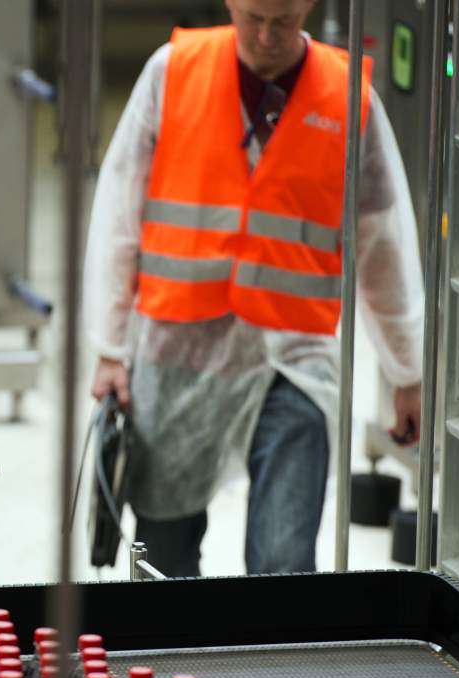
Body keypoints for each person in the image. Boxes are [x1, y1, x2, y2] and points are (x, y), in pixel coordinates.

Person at [82, 0, 424, 577]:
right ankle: (170, 671)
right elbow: (118, 216)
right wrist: (110, 348)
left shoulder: (348, 100)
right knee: (164, 557)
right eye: (253, 19)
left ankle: (275, 670)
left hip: (293, 361)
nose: (266, 37)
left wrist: (406, 372)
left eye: (284, 22)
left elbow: (382, 245)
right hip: (179, 357)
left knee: (283, 566)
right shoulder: (171, 73)